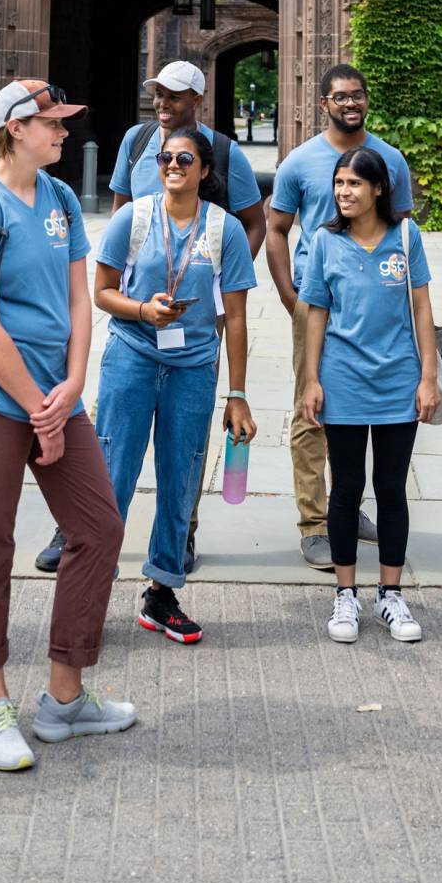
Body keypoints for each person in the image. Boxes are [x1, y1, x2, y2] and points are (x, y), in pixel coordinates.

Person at [0, 79, 135, 772]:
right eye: (52, 123)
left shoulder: (58, 199)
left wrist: (73, 385)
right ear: (16, 129)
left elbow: (81, 302)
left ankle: (63, 698)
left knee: (99, 527)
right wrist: (37, 407)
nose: (64, 132)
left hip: (53, 393)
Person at [37, 57, 265, 575]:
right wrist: (141, 302)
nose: (163, 104)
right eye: (157, 95)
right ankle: (82, 535)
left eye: (174, 96)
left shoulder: (224, 154)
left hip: (194, 331)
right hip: (137, 333)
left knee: (182, 458)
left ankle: (178, 539)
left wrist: (221, 275)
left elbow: (255, 222)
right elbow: (119, 226)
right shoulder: (137, 143)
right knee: (111, 446)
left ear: (198, 101)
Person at [93, 128, 258, 643]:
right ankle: (92, 585)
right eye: (166, 157)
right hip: (133, 355)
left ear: (205, 170)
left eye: (185, 159)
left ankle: (161, 591)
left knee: (181, 475)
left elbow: (235, 315)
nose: (173, 165)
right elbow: (101, 292)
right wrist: (143, 310)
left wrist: (237, 394)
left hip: (192, 366)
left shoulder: (224, 229)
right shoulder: (134, 218)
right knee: (112, 469)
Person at [266, 65, 415, 568]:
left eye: (357, 95)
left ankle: (346, 510)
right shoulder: (300, 163)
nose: (350, 104)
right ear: (323, 101)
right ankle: (315, 524)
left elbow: (403, 236)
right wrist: (291, 296)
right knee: (313, 410)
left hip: (376, 304)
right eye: (340, 97)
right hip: (317, 300)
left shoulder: (390, 160)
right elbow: (277, 229)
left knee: (369, 410)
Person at [299, 149, 440, 644]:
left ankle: (390, 593)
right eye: (339, 183)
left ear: (379, 188)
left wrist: (427, 377)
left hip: (399, 381)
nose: (344, 192)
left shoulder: (406, 237)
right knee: (345, 488)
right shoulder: (324, 240)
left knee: (392, 488)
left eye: (355, 183)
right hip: (343, 380)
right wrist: (311, 379)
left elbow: (422, 308)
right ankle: (345, 595)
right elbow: (315, 311)